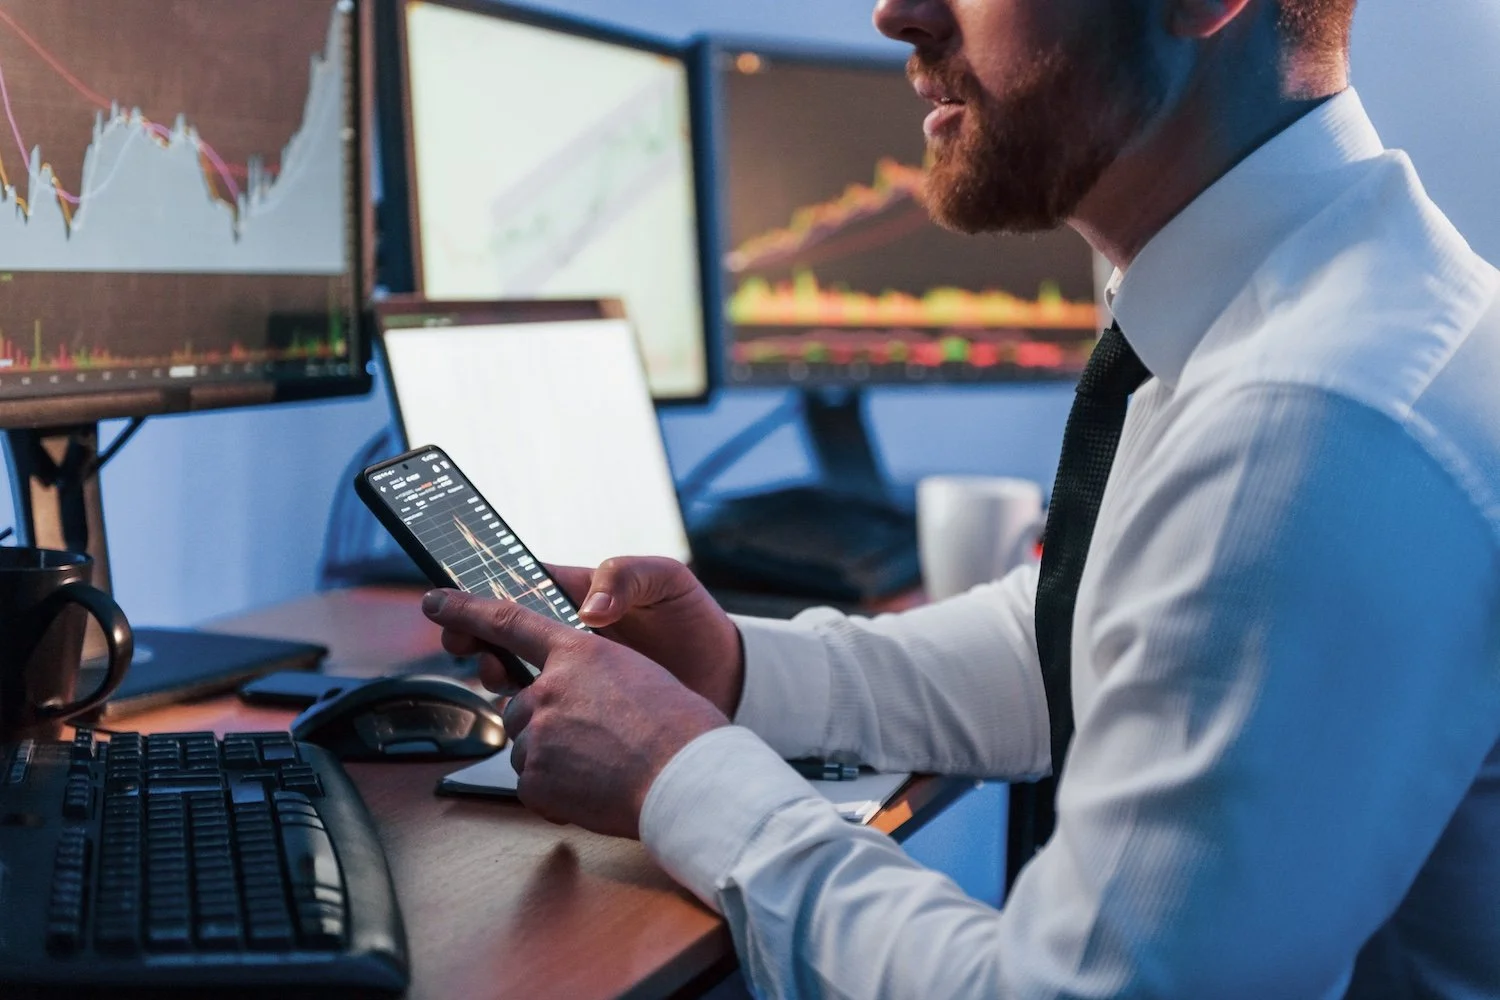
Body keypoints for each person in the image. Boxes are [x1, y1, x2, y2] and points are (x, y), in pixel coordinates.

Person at [422, 0, 1500, 995]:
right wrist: (736, 670)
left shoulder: (1311, 423)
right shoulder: (1299, 308)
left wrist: (677, 773)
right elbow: (1083, 639)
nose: (896, 11)